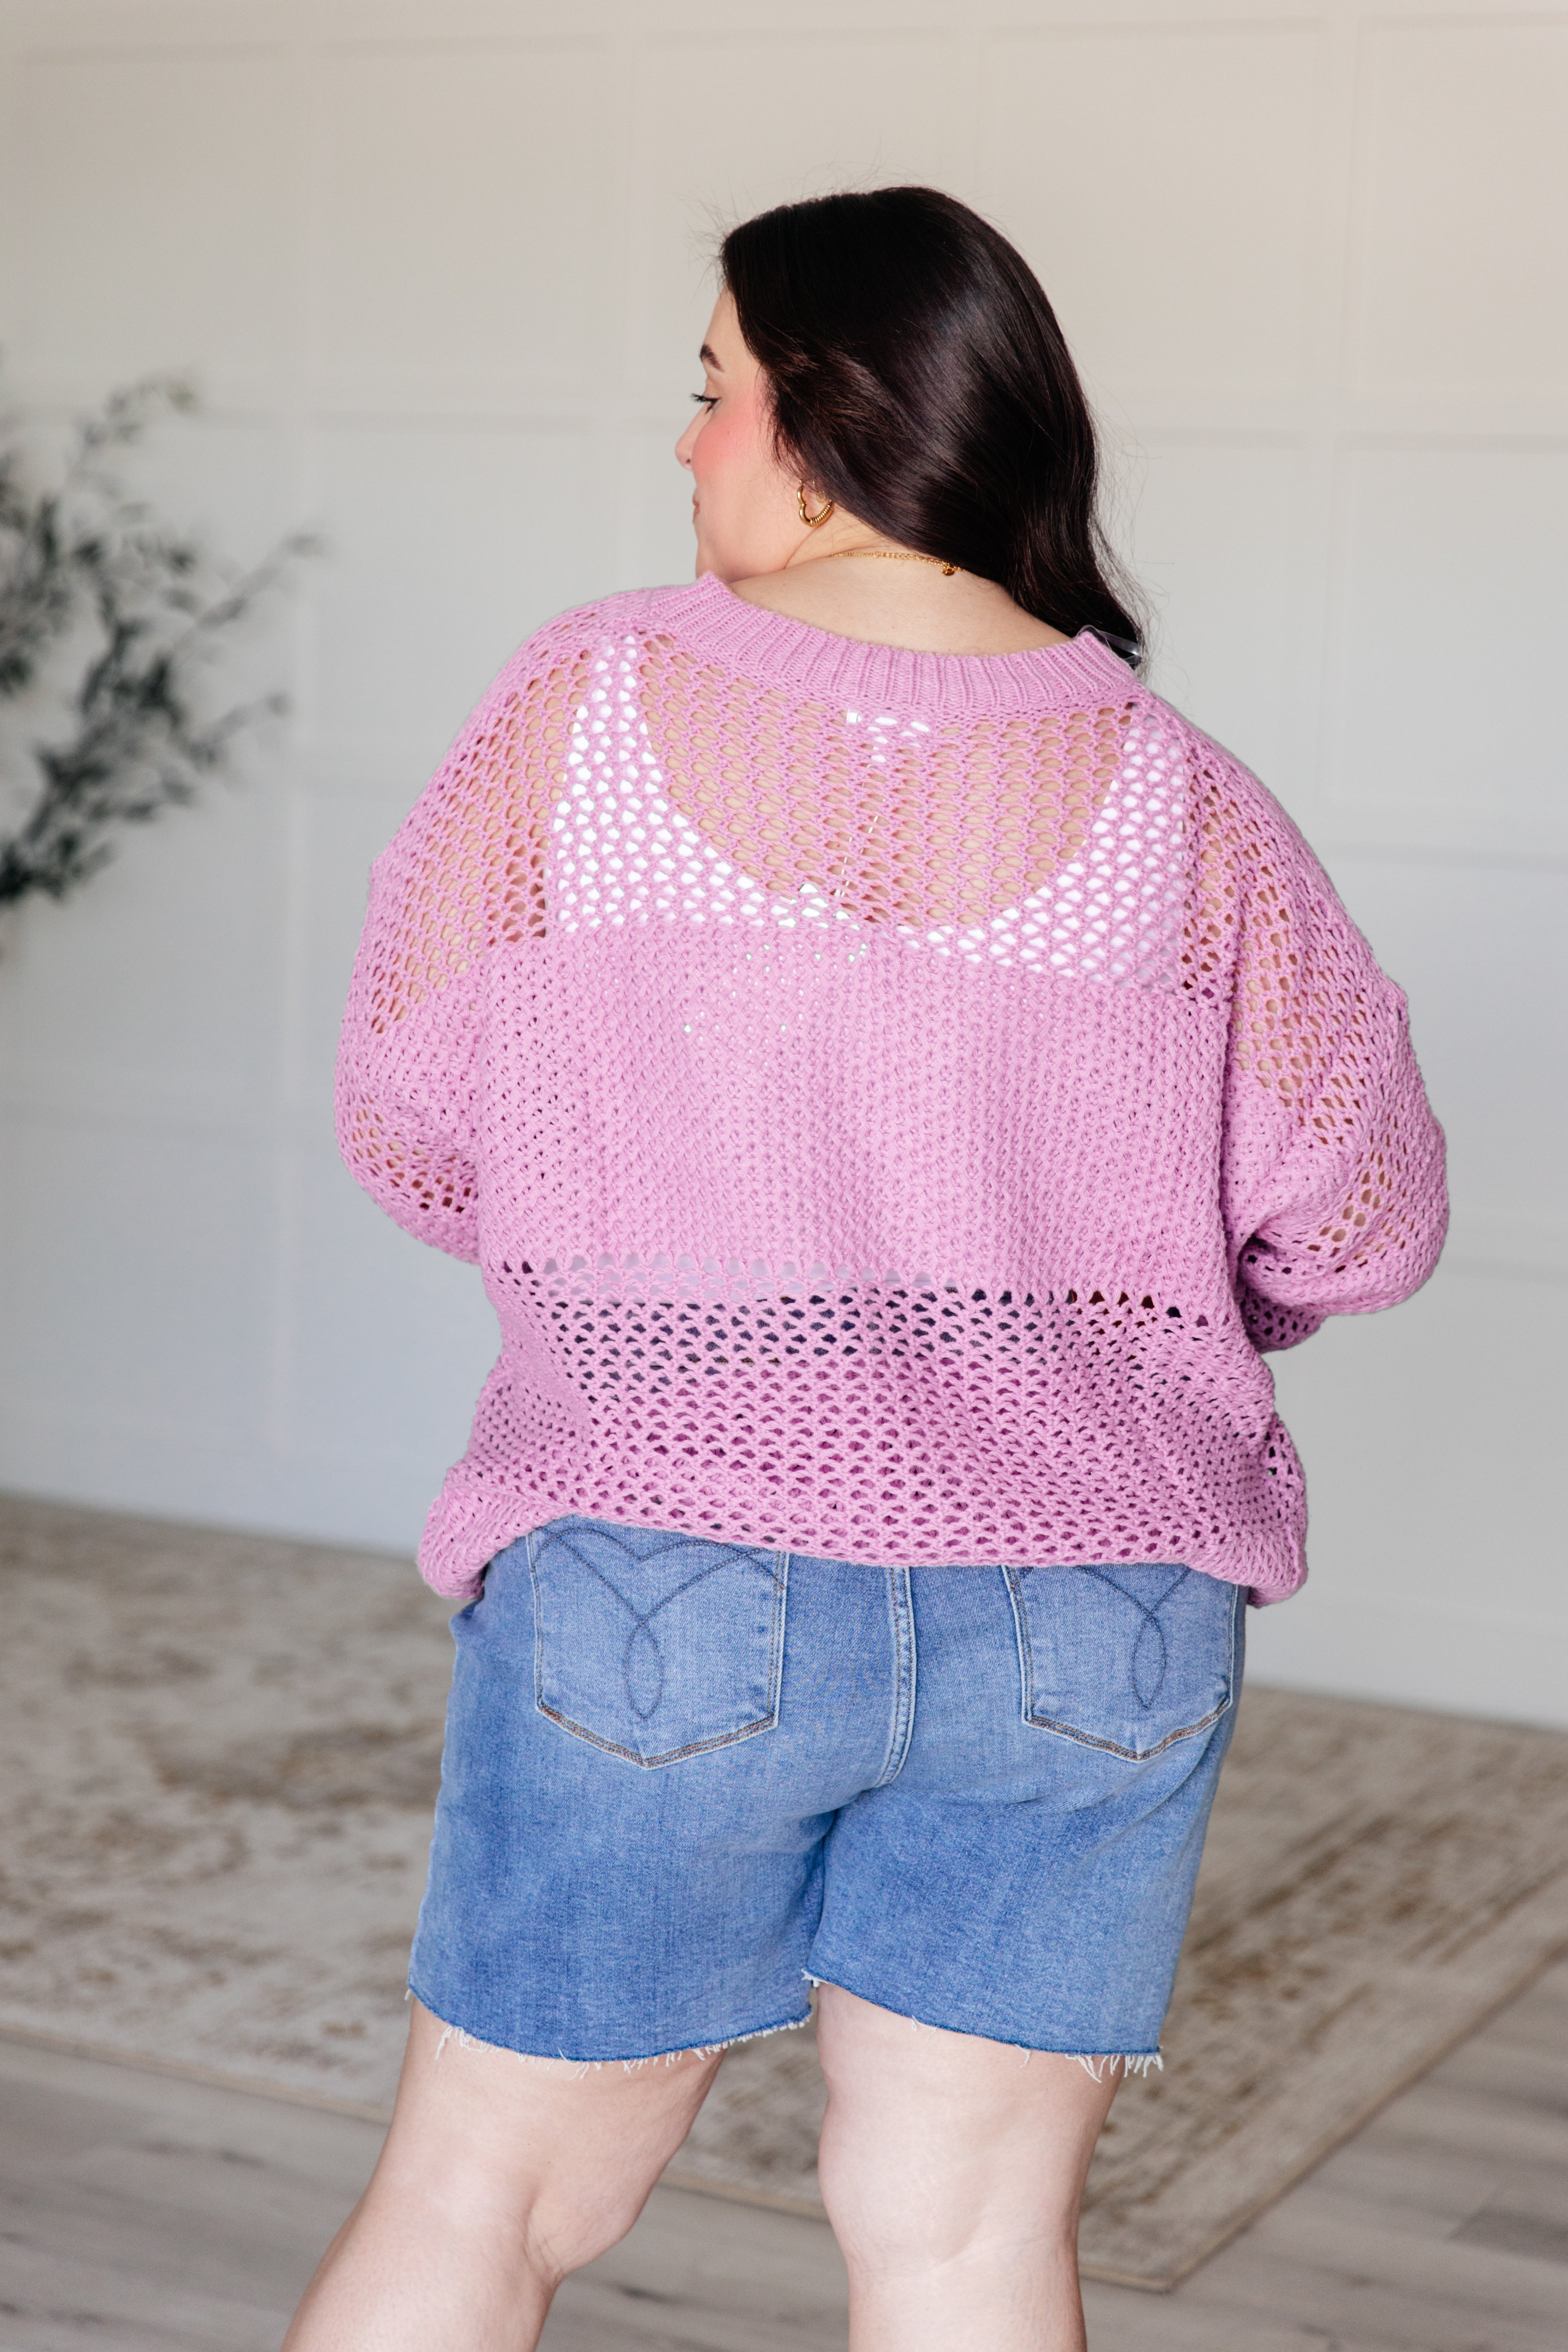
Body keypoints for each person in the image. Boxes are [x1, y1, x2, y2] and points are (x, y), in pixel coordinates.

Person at [286, 186, 1447, 2352]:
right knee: (968, 2244)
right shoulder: (1184, 799)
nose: (687, 442)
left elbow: (412, 1119)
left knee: (482, 2198)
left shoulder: (585, 706)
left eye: (713, 389)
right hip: (1096, 1608)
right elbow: (1361, 1224)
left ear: (827, 420)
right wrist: (1109, 1302)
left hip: (661, 1564)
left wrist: (650, 1254)